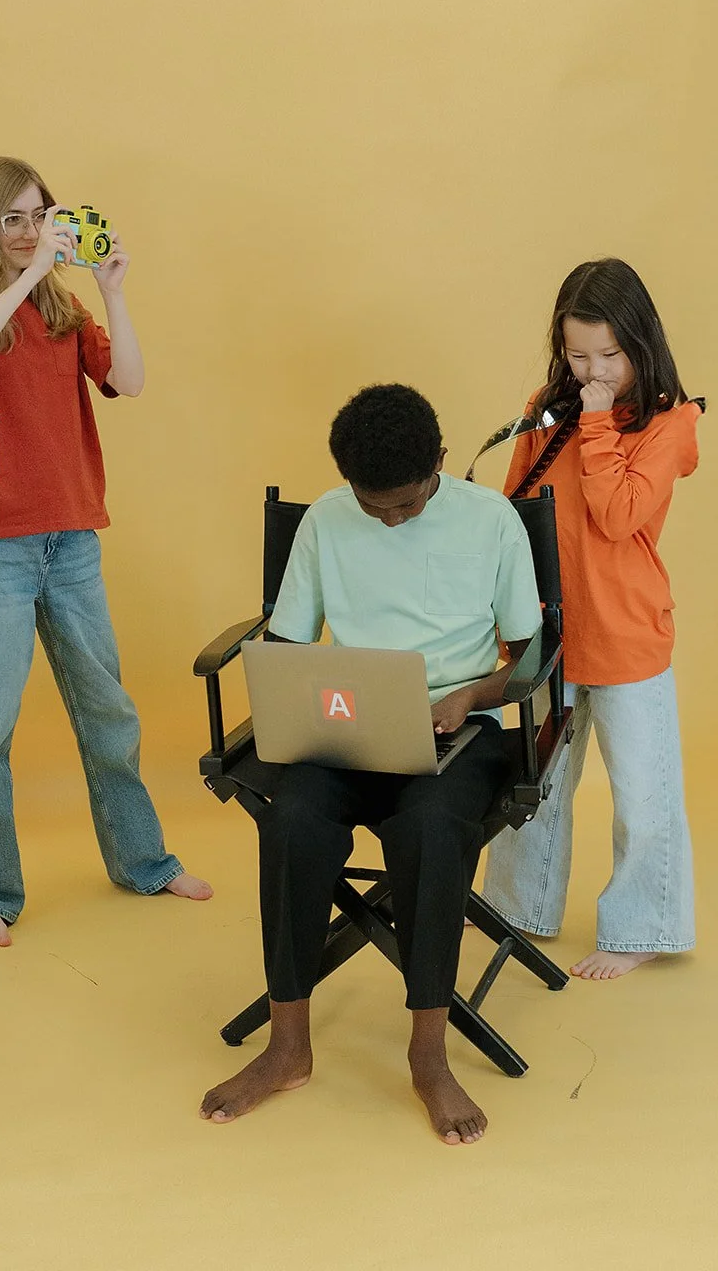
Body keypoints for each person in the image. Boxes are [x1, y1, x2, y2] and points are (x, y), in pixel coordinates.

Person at [199, 384, 540, 1144]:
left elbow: (525, 652)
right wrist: (290, 694)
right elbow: (288, 640)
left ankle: (428, 1055)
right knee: (294, 820)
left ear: (440, 467)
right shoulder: (325, 519)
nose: (388, 519)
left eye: (406, 507)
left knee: (428, 827)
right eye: (372, 505)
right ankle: (287, 1047)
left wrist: (468, 697)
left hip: (460, 726)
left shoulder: (491, 521)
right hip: (349, 726)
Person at [0, 155, 210, 949]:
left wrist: (111, 289)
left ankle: (143, 859)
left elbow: (133, 379)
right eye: (11, 219)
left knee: (108, 714)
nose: (28, 232)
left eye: (39, 216)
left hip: (72, 540)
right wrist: (32, 273)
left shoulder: (64, 311)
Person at [483, 258, 700, 979]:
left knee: (642, 793)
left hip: (629, 634)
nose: (593, 369)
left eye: (610, 354)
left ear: (640, 343)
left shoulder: (672, 421)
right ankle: (517, 909)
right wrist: (506, 618)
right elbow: (515, 511)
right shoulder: (550, 404)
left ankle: (642, 926)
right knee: (533, 786)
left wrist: (600, 416)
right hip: (550, 632)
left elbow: (617, 514)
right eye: (578, 356)